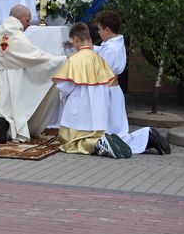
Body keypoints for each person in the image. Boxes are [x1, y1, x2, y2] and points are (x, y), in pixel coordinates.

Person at [0, 4, 66, 144]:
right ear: (19, 18)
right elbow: (35, 56)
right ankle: (8, 126)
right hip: (9, 80)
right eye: (27, 20)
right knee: (13, 103)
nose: (29, 24)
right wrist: (59, 60)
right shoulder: (17, 36)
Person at [94, 10, 171, 155]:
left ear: (107, 29)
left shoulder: (111, 49)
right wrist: (87, 47)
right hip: (114, 90)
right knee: (116, 130)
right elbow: (100, 51)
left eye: (99, 29)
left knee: (113, 134)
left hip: (107, 92)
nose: (98, 33)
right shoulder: (115, 43)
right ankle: (147, 137)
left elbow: (98, 69)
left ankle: (147, 136)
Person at [52, 22, 132, 159]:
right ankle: (101, 140)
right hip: (98, 109)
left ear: (75, 39)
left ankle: (98, 144)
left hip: (79, 106)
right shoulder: (99, 59)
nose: (73, 45)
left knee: (69, 141)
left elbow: (64, 87)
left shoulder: (74, 60)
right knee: (94, 133)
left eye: (73, 41)